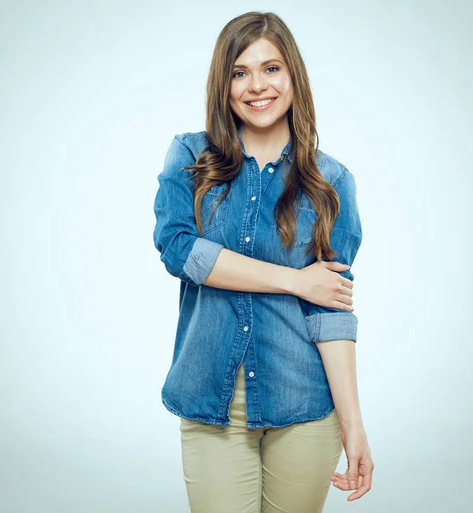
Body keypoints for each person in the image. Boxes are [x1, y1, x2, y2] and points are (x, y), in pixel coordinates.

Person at [152, 11, 374, 513]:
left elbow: (332, 309)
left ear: (292, 75)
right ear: (223, 83)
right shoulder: (191, 157)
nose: (257, 85)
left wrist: (354, 423)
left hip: (304, 402)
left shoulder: (330, 181)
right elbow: (179, 251)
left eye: (271, 68)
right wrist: (297, 281)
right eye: (239, 71)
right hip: (212, 402)